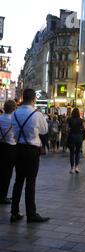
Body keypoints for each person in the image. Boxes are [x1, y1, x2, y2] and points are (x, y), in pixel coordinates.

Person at [10, 89, 50, 223]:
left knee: (18, 181)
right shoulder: (37, 114)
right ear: (33, 99)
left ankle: (14, 212)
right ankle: (31, 214)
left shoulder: (15, 113)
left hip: (18, 149)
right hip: (32, 150)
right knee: (30, 182)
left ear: (22, 98)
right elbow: (44, 130)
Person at [0, 100, 17, 205]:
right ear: (14, 109)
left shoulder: (0, 118)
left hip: (0, 145)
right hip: (10, 148)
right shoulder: (14, 120)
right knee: (7, 173)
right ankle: (3, 196)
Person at [67, 108, 85, 174]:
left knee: (71, 152)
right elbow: (83, 128)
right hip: (79, 136)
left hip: (72, 136)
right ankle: (77, 167)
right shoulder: (81, 120)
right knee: (77, 152)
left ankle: (72, 168)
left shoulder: (70, 119)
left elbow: (67, 129)